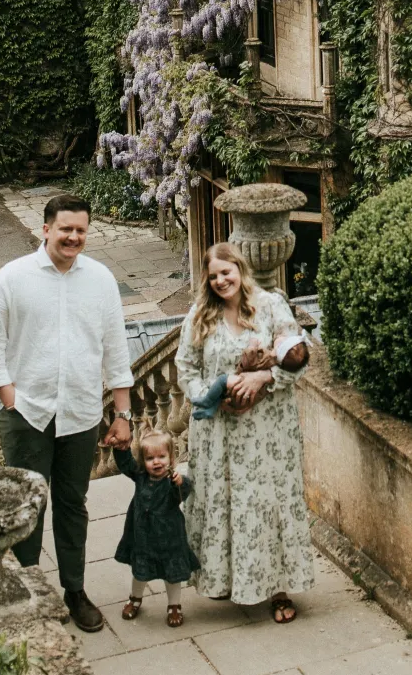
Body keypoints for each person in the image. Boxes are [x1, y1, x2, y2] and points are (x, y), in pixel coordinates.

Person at [0, 192, 134, 633]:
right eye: (65, 229)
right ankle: (29, 590)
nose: (74, 237)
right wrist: (11, 400)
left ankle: (75, 591)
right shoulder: (12, 278)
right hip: (27, 414)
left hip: (81, 414)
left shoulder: (100, 280)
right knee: (26, 507)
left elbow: (116, 350)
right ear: (45, 229)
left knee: (71, 504)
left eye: (81, 230)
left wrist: (123, 414)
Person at [177, 243, 315, 622]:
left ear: (240, 269)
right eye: (214, 275)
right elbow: (185, 369)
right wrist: (210, 396)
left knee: (267, 502)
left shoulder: (270, 305)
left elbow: (300, 357)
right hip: (217, 432)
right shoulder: (200, 315)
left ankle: (278, 590)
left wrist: (261, 377)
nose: (222, 280)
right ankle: (228, 580)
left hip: (265, 432)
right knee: (223, 502)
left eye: (228, 271)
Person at [112, 429, 199, 627]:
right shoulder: (141, 476)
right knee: (139, 571)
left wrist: (180, 483)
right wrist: (121, 448)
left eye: (161, 456)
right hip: (142, 536)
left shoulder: (172, 481)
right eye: (150, 458)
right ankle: (135, 598)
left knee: (172, 574)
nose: (156, 462)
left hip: (169, 538)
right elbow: (126, 465)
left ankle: (174, 605)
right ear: (143, 461)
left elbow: (183, 492)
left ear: (171, 457)